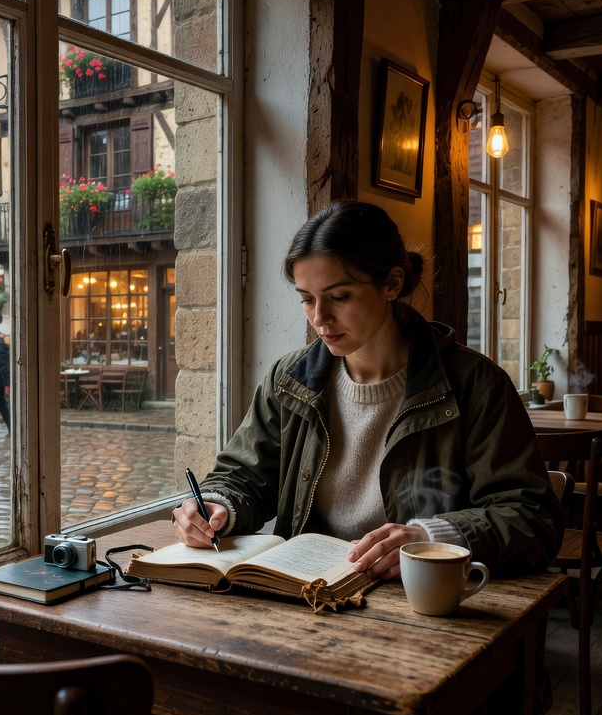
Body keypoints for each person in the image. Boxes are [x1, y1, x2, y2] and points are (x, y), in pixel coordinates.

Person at [173, 200, 563, 580]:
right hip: (306, 595)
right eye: (307, 299)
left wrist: (431, 539)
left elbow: (532, 517)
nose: (319, 318)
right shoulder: (288, 380)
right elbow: (241, 476)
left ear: (392, 284)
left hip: (420, 606)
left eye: (339, 297)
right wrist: (215, 506)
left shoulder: (476, 385)